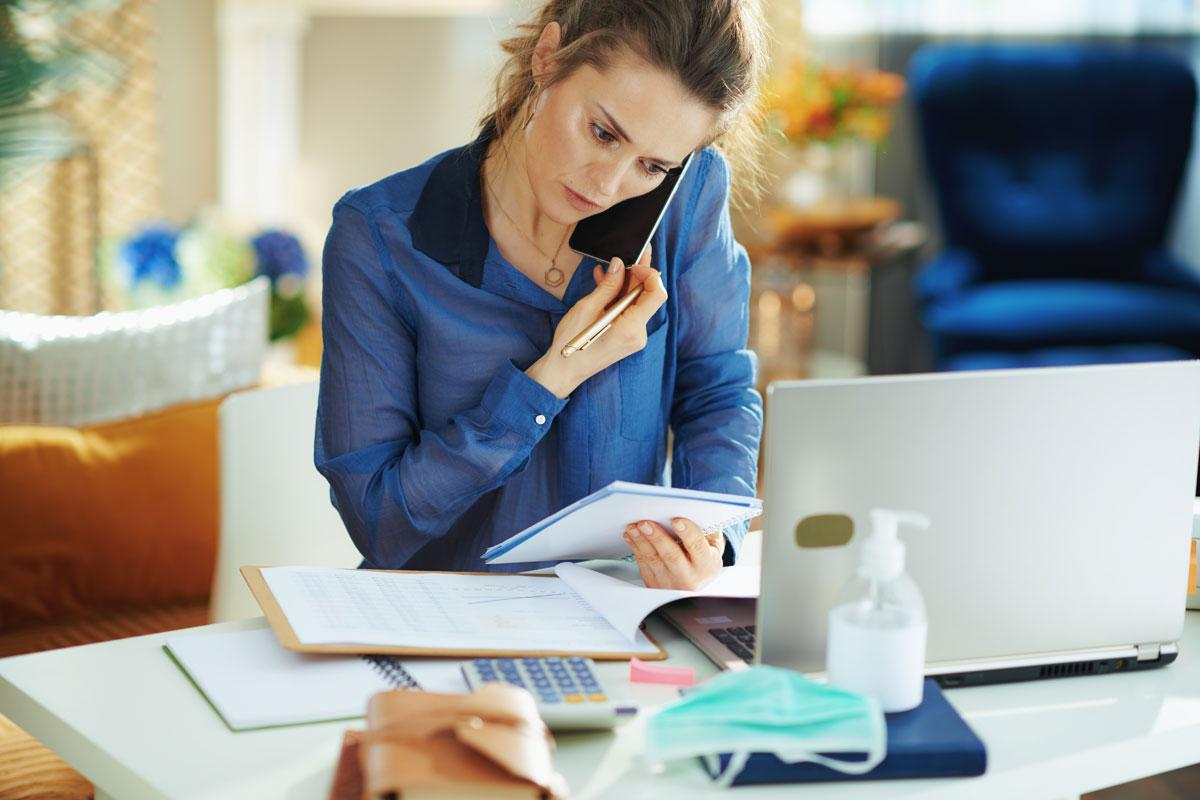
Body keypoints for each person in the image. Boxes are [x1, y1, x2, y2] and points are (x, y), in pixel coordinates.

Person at [315, 0, 768, 590]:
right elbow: (378, 519)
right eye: (602, 133)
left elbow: (716, 390)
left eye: (653, 166)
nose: (608, 184)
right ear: (548, 57)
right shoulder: (381, 236)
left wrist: (710, 539)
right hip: (441, 617)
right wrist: (553, 376)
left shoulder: (686, 194)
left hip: (621, 612)